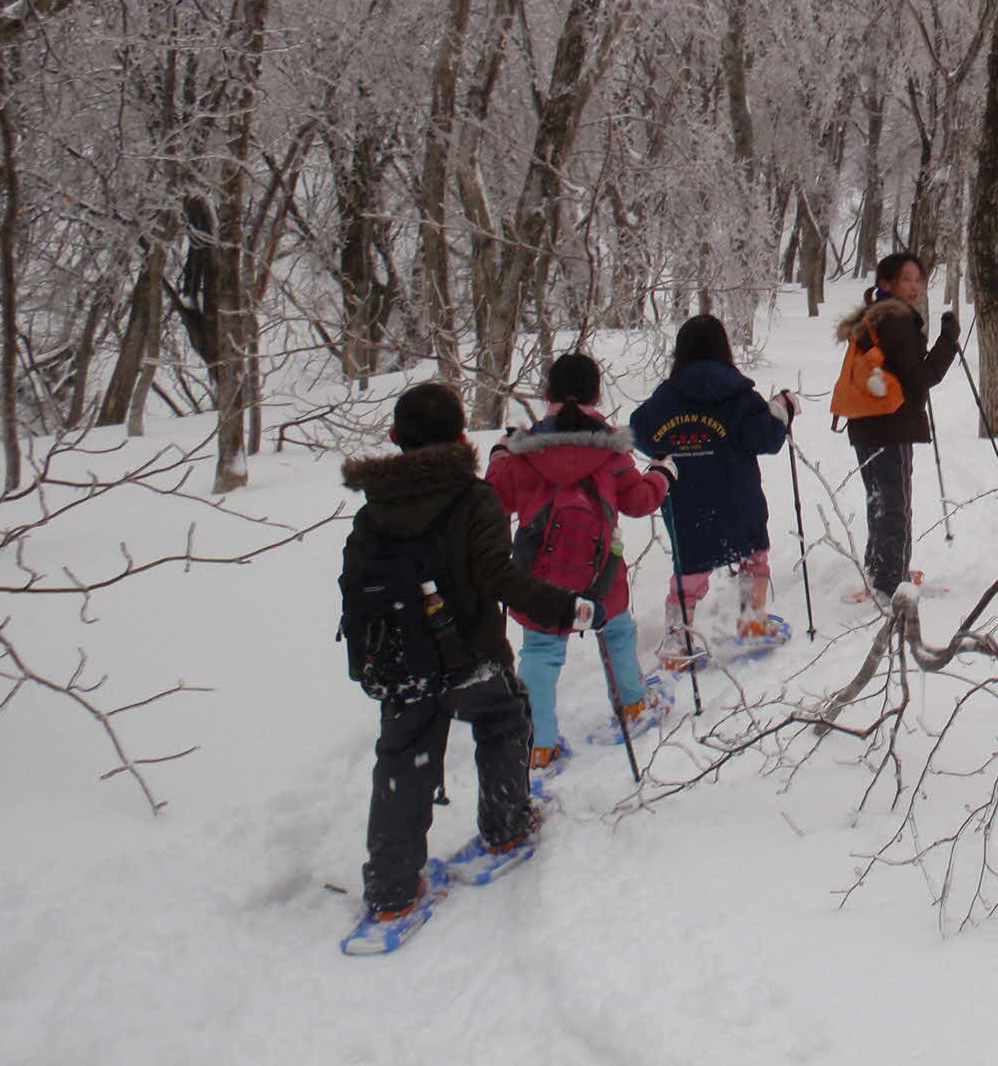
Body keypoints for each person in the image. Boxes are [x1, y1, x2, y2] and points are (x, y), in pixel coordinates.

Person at [340, 380, 599, 934]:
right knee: (505, 718)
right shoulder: (472, 497)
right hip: (469, 656)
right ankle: (506, 826)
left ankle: (391, 891)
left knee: (403, 762)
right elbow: (497, 576)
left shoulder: (374, 509)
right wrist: (566, 609)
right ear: (462, 437)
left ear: (393, 438)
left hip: (399, 662)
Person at [486, 353, 673, 771]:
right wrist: (662, 474)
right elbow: (639, 501)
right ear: (597, 393)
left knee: (540, 651)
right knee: (618, 634)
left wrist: (500, 454)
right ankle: (631, 706)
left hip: (537, 577)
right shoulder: (612, 448)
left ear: (548, 393)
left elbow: (496, 498)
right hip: (602, 574)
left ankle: (538, 745)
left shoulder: (525, 449)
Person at [629, 314, 795, 670]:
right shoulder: (739, 395)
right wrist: (782, 412)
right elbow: (765, 438)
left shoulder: (666, 397)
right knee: (754, 555)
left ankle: (678, 638)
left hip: (686, 501)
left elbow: (641, 432)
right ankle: (751, 621)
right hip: (739, 497)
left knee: (689, 568)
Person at [835, 250, 958, 600]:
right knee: (894, 504)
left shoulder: (872, 316)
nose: (915, 286)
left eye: (919, 279)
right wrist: (947, 341)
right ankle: (892, 584)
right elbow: (922, 377)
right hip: (890, 424)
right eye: (906, 278)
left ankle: (881, 569)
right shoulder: (897, 321)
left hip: (866, 423)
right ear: (886, 282)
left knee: (879, 499)